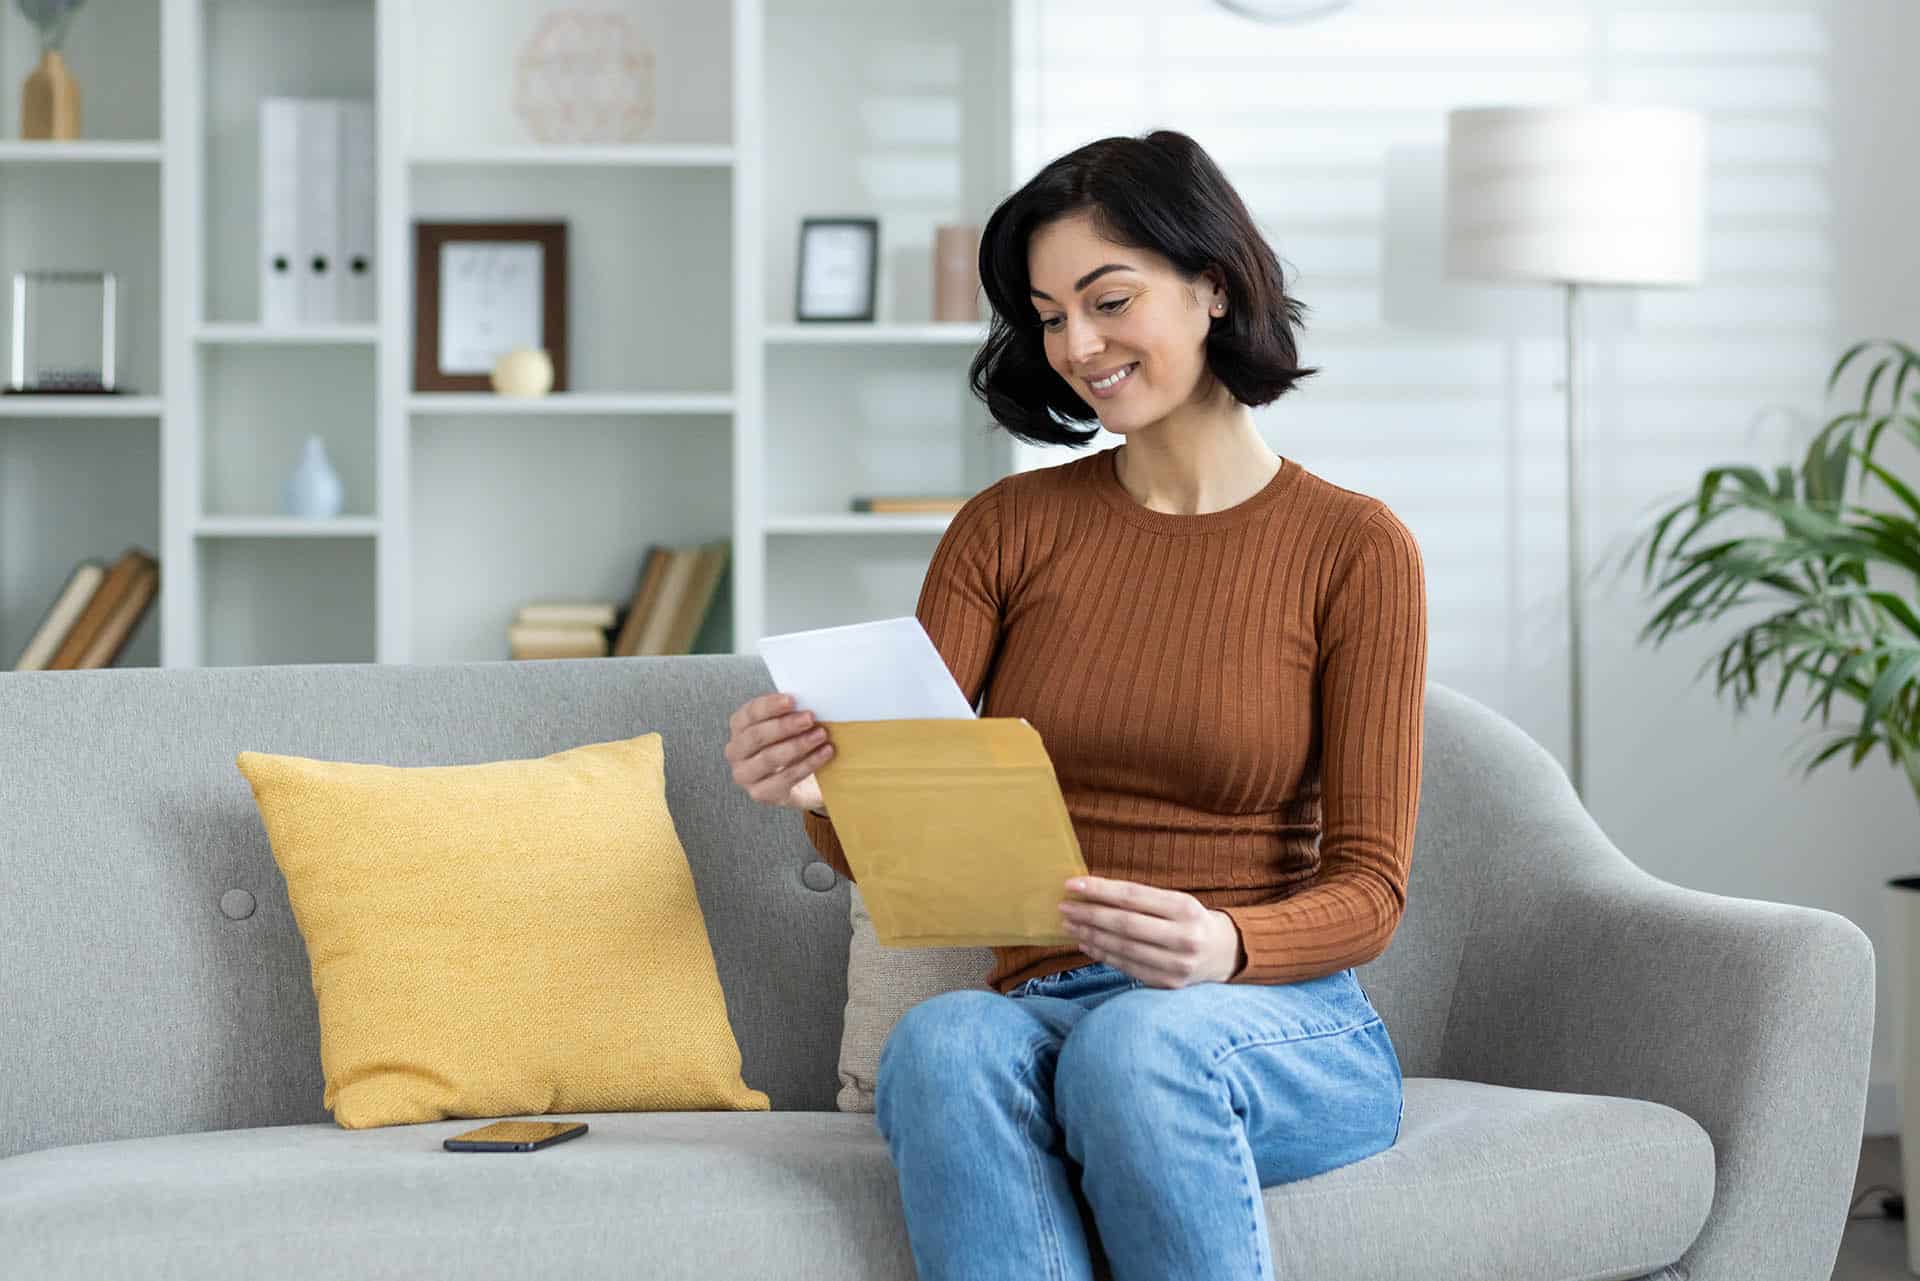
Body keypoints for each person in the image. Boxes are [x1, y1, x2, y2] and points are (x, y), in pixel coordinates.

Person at [723, 128, 1426, 1281]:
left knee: (1140, 1046)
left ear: (1213, 285)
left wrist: (1225, 940)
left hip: (1276, 1021)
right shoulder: (1007, 532)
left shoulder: (1354, 548)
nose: (1077, 346)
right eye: (1049, 316)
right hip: (1048, 1005)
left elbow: (1371, 890)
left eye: (1108, 300)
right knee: (943, 1042)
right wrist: (819, 787)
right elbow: (911, 831)